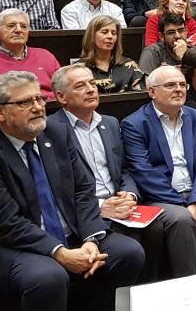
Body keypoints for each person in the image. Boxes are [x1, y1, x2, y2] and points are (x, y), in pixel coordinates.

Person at [0, 71, 144, 311]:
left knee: (129, 253)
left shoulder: (56, 133)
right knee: (49, 276)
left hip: (74, 232)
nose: (38, 107)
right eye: (26, 102)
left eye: (39, 99)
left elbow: (83, 189)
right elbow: (3, 222)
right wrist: (59, 252)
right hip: (22, 243)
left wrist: (91, 237)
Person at [45, 64, 161, 280]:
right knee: (130, 245)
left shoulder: (109, 122)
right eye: (81, 86)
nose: (91, 89)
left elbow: (124, 169)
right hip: (85, 212)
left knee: (159, 228)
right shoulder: (49, 131)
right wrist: (100, 206)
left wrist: (129, 194)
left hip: (119, 205)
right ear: (61, 97)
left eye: (92, 83)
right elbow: (57, 187)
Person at [121, 66, 196, 277]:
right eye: (170, 85)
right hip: (160, 197)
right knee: (181, 219)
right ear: (151, 91)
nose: (179, 89)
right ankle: (186, 286)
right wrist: (184, 205)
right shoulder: (134, 124)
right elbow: (143, 171)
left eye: (182, 84)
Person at [0, 9, 60, 102]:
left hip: (51, 110)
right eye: (11, 26)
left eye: (23, 26)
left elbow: (62, 90)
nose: (19, 30)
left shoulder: (45, 55)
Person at [80, 16, 143, 93]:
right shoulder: (79, 69)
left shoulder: (129, 65)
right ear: (92, 36)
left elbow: (141, 96)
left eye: (114, 33)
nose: (110, 36)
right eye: (104, 32)